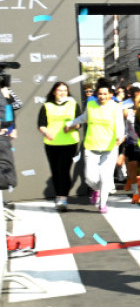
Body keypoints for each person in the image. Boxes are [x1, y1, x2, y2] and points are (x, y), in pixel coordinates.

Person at [64, 78, 125, 214]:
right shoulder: (91, 105)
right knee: (89, 178)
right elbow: (83, 118)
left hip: (110, 147)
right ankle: (96, 190)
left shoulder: (116, 107)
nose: (102, 96)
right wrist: (70, 123)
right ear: (97, 94)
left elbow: (120, 124)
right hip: (91, 146)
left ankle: (102, 204)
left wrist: (120, 136)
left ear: (110, 95)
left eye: (105, 94)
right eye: (100, 94)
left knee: (105, 177)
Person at [38, 82, 80, 211]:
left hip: (69, 142)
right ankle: (58, 195)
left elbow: (79, 123)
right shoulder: (46, 106)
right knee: (55, 171)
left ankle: (63, 198)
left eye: (65, 90)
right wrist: (46, 132)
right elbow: (41, 124)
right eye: (59, 90)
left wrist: (72, 126)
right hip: (51, 143)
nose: (62, 93)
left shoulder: (73, 104)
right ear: (53, 92)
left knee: (64, 170)